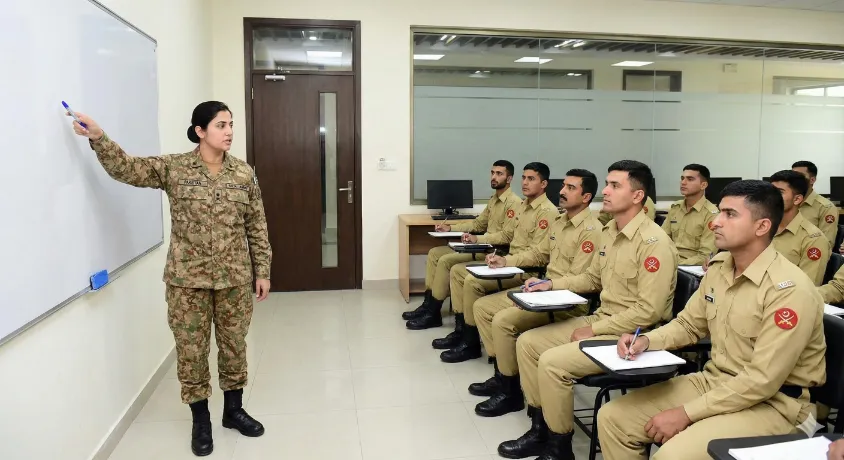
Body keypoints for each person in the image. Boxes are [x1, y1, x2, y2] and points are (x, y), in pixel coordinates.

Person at [69, 102, 271, 457]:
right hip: (186, 283)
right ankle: (201, 421)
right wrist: (99, 137)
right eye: (221, 125)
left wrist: (263, 270)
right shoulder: (175, 168)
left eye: (231, 125)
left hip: (234, 281)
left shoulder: (243, 173)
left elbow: (256, 225)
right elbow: (128, 169)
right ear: (200, 131)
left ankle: (233, 411)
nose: (229, 132)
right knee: (192, 353)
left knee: (234, 347)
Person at [597, 180, 827, 460]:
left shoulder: (789, 290)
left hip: (776, 405)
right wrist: (646, 340)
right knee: (614, 417)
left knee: (671, 455)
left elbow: (761, 380)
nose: (715, 222)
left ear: (762, 226)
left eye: (730, 214)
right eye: (719, 212)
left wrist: (686, 413)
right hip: (716, 381)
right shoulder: (721, 268)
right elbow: (689, 325)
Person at [496, 160, 678, 460]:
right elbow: (592, 278)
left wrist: (593, 330)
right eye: (607, 183)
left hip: (633, 336)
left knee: (553, 363)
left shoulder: (653, 243)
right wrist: (550, 283)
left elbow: (650, 311)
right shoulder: (610, 233)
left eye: (614, 185)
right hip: (602, 319)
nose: (604, 191)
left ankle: (559, 446)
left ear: (637, 196)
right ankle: (541, 428)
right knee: (528, 344)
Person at [469, 169, 602, 417]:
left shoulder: (592, 230)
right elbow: (539, 254)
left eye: (570, 188)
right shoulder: (560, 222)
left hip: (567, 303)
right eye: (563, 185)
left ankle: (511, 392)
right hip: (545, 290)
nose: (561, 192)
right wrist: (507, 260)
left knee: (503, 321)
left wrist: (547, 288)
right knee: (484, 308)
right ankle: (506, 378)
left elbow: (584, 282)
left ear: (586, 197)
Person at [436, 162, 559, 363]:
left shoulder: (547, 212)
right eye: (524, 178)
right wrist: (479, 239)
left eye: (531, 179)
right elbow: (508, 234)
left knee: (470, 280)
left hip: (528, 272)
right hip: (511, 263)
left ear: (544, 184)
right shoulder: (523, 206)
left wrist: (505, 259)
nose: (525, 183)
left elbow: (539, 255)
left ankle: (475, 345)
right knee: (462, 274)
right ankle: (467, 335)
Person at [403, 160, 520, 330]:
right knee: (435, 253)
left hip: (495, 253)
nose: (494, 177)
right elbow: (478, 224)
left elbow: (507, 236)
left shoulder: (513, 203)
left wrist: (477, 239)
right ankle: (428, 305)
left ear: (509, 179)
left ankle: (433, 312)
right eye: (492, 172)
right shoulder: (494, 200)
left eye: (499, 174)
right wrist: (450, 228)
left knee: (445, 260)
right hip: (484, 247)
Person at [767, 171, 831, 286]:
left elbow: (806, 288)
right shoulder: (762, 228)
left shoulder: (813, 239)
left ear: (797, 199)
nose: (770, 197)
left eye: (779, 192)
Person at [661, 164, 718, 265]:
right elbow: (662, 239)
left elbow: (706, 255)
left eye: (690, 179)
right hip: (668, 261)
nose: (683, 182)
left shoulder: (711, 214)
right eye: (682, 178)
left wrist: (677, 264)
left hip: (690, 268)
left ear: (703, 185)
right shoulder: (676, 208)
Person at [793, 160, 839, 245]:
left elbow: (826, 244)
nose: (794, 180)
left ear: (812, 180)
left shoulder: (826, 207)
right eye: (793, 177)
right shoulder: (787, 203)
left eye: (800, 177)